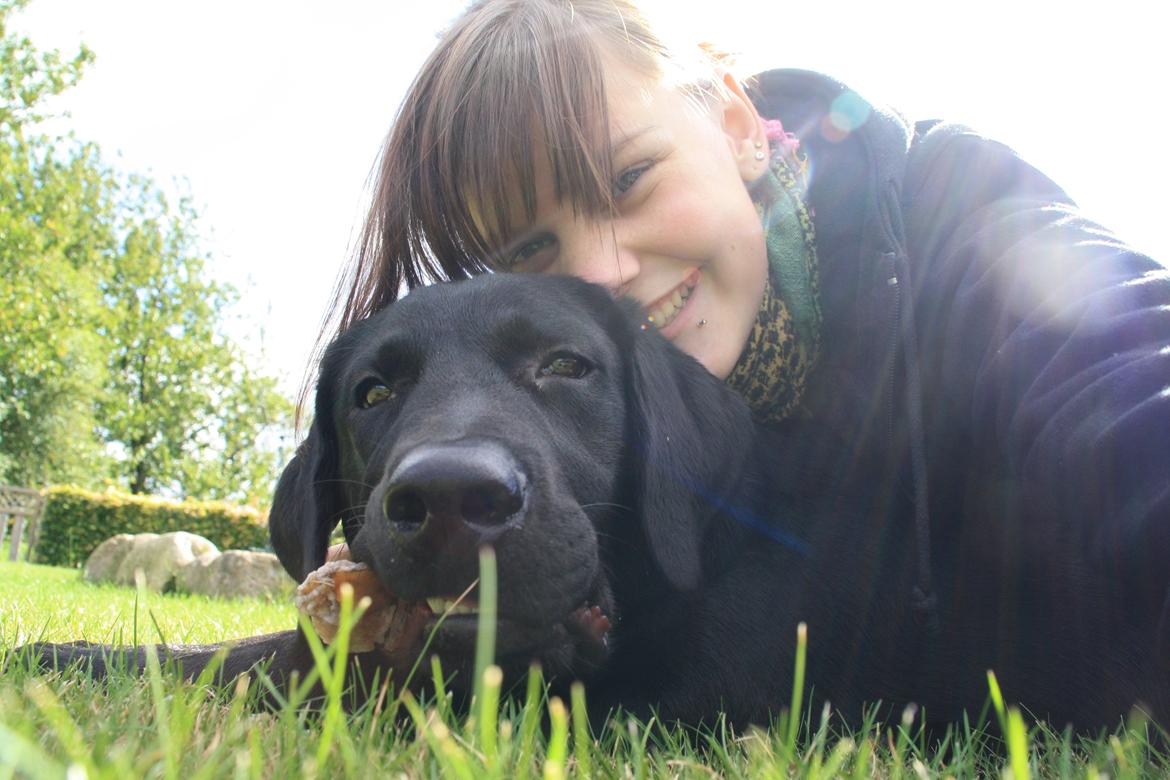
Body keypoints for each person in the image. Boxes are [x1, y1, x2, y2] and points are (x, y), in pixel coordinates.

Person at [321, 1, 1170, 656]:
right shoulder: (618, 430)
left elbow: (1121, 378)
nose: (603, 271)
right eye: (532, 247)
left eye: (630, 178)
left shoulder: (953, 211)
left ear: (733, 126)